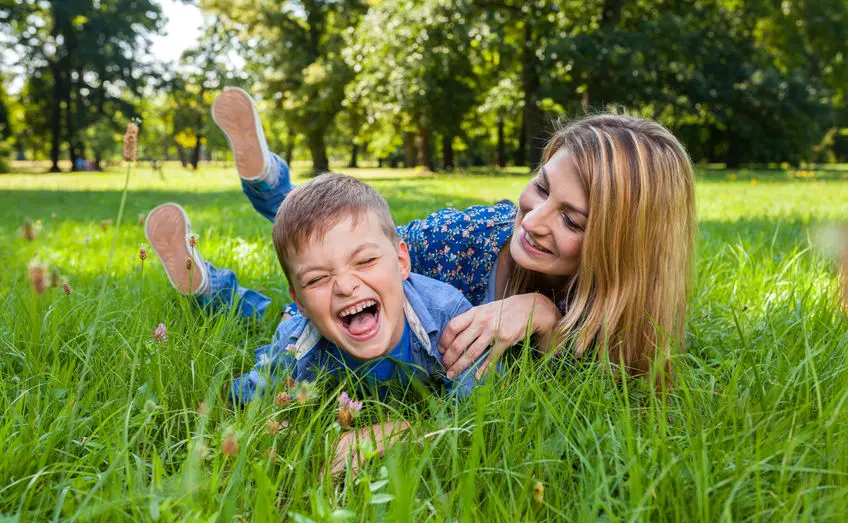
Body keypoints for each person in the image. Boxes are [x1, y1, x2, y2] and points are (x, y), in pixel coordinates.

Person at [149, 87, 696, 388]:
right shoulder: (473, 238)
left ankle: (207, 284)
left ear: (625, 247)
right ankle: (267, 189)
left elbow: (593, 391)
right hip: (367, 291)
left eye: (572, 220)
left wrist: (544, 315)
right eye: (540, 187)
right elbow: (350, 243)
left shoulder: (624, 313)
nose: (531, 220)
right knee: (300, 303)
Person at [145, 174, 488, 404]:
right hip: (301, 331)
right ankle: (210, 288)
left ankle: (214, 286)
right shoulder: (297, 345)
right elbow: (253, 392)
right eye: (316, 279)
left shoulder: (449, 319)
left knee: (262, 314)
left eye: (365, 260)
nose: (345, 285)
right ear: (301, 304)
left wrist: (403, 430)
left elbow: (478, 409)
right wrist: (203, 400)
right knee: (269, 350)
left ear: (401, 262)